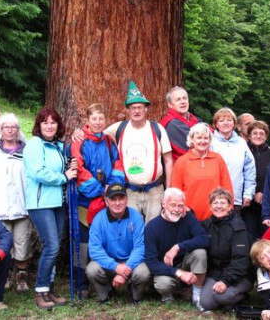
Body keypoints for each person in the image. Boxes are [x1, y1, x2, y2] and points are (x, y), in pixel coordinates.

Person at [24, 107, 77, 309]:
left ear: (58, 126)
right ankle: (40, 291)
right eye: (45, 122)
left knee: (54, 247)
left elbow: (61, 167)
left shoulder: (57, 146)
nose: (49, 126)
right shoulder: (34, 145)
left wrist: (69, 166)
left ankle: (49, 289)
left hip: (57, 202)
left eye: (53, 122)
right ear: (39, 125)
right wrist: (63, 177)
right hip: (40, 203)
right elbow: (38, 172)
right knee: (52, 246)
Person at [71, 103, 125, 296]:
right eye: (94, 118)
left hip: (106, 200)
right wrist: (100, 189)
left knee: (105, 239)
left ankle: (105, 279)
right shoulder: (79, 141)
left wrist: (112, 186)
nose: (97, 122)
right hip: (86, 201)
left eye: (101, 118)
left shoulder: (109, 141)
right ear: (88, 120)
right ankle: (81, 283)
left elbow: (117, 164)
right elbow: (79, 169)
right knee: (83, 242)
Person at [105, 81, 173, 223]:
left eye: (140, 107)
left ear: (146, 109)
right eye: (133, 108)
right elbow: (96, 134)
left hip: (155, 190)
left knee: (154, 229)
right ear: (128, 111)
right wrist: (80, 133)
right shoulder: (118, 128)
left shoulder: (157, 129)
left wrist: (169, 189)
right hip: (129, 191)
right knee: (131, 228)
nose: (136, 111)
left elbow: (168, 160)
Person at [0, 113, 31, 293]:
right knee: (3, 245)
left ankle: (22, 277)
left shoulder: (26, 152)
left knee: (22, 244)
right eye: (6, 127)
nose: (10, 130)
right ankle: (6, 275)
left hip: (22, 208)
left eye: (13, 127)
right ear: (1, 130)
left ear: (18, 130)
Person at [144, 188, 210, 311]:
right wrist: (178, 273)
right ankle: (170, 294)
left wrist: (178, 247)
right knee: (163, 284)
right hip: (166, 268)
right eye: (173, 205)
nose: (177, 210)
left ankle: (196, 295)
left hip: (185, 263)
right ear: (163, 204)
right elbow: (151, 262)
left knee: (200, 252)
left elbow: (205, 239)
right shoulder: (152, 227)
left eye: (180, 206)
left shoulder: (188, 218)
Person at [86, 184, 150, 303]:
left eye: (121, 198)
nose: (117, 203)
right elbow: (94, 250)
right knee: (92, 269)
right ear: (106, 201)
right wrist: (115, 266)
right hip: (109, 262)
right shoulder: (98, 220)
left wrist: (125, 270)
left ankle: (135, 296)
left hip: (130, 262)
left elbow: (140, 247)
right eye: (113, 199)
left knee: (143, 271)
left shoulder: (136, 217)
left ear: (126, 200)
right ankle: (106, 295)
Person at [200, 188, 253, 311]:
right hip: (216, 273)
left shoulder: (238, 227)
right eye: (215, 203)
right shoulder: (206, 225)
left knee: (223, 296)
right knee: (206, 303)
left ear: (230, 206)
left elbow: (241, 260)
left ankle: (242, 296)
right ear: (210, 207)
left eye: (223, 203)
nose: (219, 206)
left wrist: (225, 281)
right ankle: (225, 299)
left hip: (240, 274)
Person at [171, 123, 233, 221]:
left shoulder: (217, 159)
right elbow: (176, 191)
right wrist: (180, 208)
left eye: (206, 138)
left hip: (216, 214)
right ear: (191, 140)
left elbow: (227, 186)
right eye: (199, 138)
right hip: (189, 215)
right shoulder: (182, 161)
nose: (203, 141)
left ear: (210, 140)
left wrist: (229, 207)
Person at [210, 107, 256, 216]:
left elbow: (250, 170)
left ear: (234, 124)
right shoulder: (210, 142)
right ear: (216, 124)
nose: (225, 123)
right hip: (213, 199)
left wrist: (248, 194)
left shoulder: (241, 143)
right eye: (221, 121)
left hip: (235, 198)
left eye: (229, 120)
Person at [243, 120, 270, 239]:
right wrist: (253, 193)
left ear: (266, 136)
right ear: (249, 135)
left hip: (266, 202)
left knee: (267, 236)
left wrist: (262, 192)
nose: (258, 136)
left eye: (261, 133)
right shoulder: (243, 151)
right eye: (255, 133)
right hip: (248, 204)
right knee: (249, 236)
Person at [160, 86, 202, 161]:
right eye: (178, 99)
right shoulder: (171, 123)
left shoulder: (194, 119)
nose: (182, 102)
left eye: (184, 98)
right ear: (170, 104)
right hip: (183, 166)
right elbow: (197, 144)